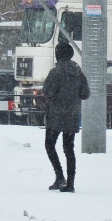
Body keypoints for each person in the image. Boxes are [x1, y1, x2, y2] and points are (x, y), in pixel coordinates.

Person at [42, 41, 90, 193]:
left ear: (58, 54)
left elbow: (47, 91)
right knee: (69, 149)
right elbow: (85, 94)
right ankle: (70, 183)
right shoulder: (78, 73)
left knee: (50, 145)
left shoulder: (55, 72)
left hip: (56, 115)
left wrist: (57, 97)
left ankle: (59, 176)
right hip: (72, 115)